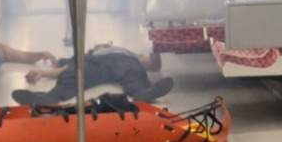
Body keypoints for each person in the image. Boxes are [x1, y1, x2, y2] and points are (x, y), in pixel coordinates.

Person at [10, 43, 173, 106]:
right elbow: (64, 70)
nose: (105, 43)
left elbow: (153, 65)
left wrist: (156, 45)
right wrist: (42, 73)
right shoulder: (87, 54)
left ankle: (144, 93)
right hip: (92, 63)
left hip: (122, 62)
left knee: (133, 74)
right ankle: (46, 98)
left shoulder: (128, 53)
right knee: (73, 75)